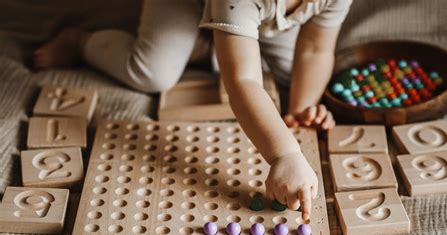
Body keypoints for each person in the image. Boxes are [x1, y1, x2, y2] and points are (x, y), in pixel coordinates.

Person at [33, 0, 352, 220]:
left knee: (289, 76)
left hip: (258, 15)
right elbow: (243, 81)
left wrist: (300, 110)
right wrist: (284, 154)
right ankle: (81, 42)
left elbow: (314, 49)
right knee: (153, 72)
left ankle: (212, 42)